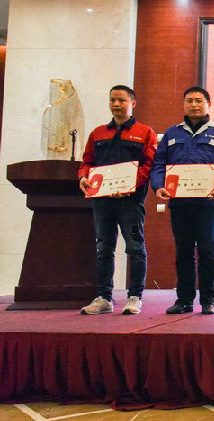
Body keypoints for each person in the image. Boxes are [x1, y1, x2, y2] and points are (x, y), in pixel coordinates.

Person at [150, 86, 214, 315]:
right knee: (183, 252)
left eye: (199, 100)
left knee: (208, 252)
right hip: (180, 203)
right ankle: (184, 300)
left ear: (208, 104)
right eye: (189, 101)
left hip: (209, 203)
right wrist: (158, 186)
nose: (194, 105)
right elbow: (159, 164)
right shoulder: (172, 133)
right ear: (184, 104)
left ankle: (208, 300)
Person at [78, 85, 157, 315]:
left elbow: (149, 165)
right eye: (112, 100)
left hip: (131, 200)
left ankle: (135, 297)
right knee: (103, 248)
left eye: (121, 100)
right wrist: (83, 177)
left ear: (133, 103)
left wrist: (129, 185)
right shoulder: (98, 133)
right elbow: (87, 162)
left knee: (135, 247)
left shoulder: (145, 132)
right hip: (102, 200)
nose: (116, 104)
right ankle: (104, 298)